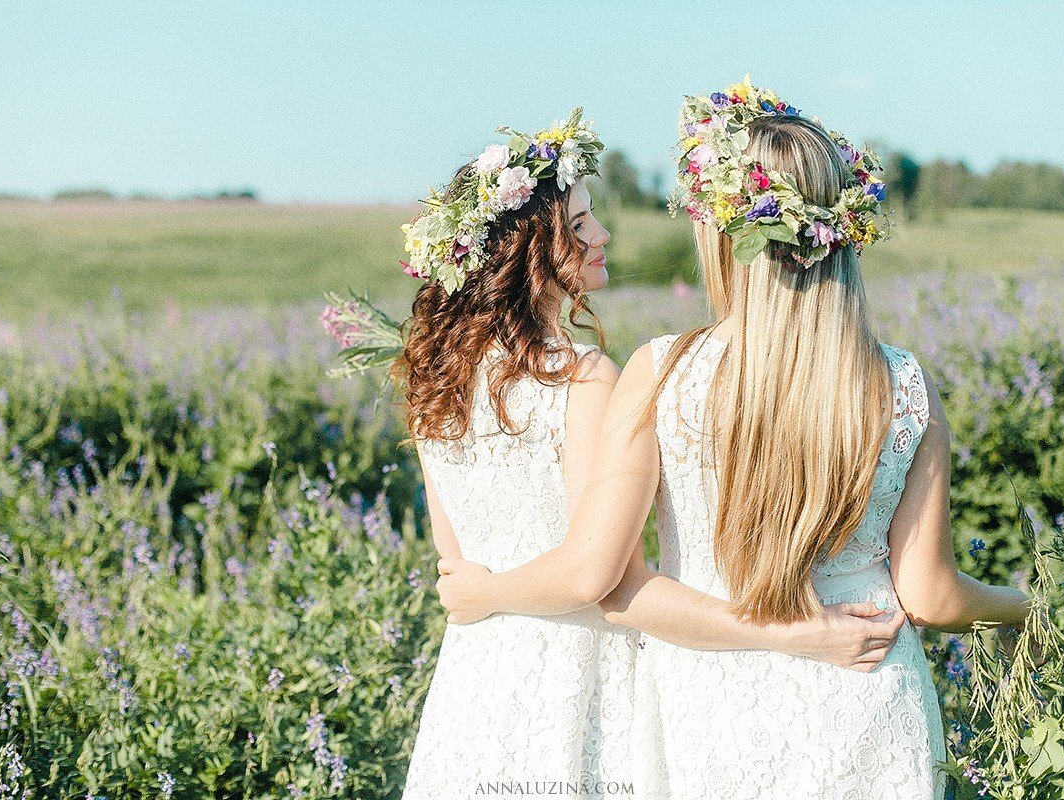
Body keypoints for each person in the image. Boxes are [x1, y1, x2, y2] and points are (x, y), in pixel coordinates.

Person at [435, 80, 1032, 799]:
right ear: (841, 235)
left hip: (710, 713)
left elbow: (620, 592)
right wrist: (1032, 606)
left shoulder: (661, 373)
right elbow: (933, 597)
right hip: (870, 699)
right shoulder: (904, 384)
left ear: (725, 232)